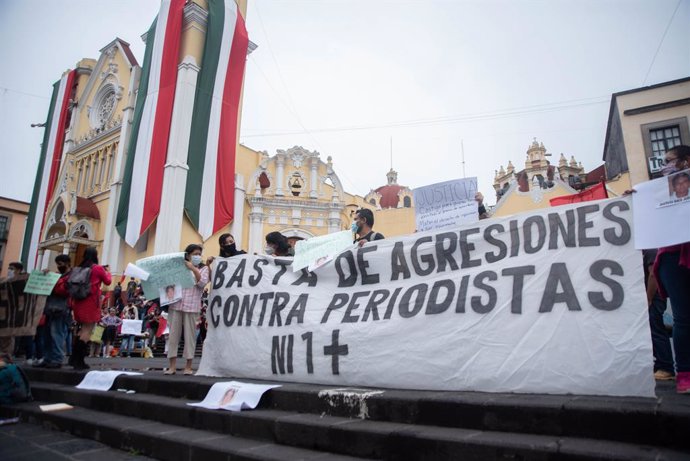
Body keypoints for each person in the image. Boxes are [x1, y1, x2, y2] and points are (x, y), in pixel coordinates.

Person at [652, 145, 690, 394]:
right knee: (682, 318)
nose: (664, 166)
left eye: (669, 161)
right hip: (672, 257)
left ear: (685, 162)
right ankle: (685, 374)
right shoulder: (658, 192)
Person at [166, 244, 209, 375]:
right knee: (173, 336)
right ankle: (172, 366)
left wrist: (194, 270)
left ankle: (188, 366)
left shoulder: (204, 268)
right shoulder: (178, 267)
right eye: (195, 254)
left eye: (199, 254)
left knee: (190, 337)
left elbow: (202, 283)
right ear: (188, 254)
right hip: (176, 304)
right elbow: (168, 282)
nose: (197, 256)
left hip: (192, 305)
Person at [70, 246, 112, 370]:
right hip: (90, 302)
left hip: (78, 301)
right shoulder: (97, 268)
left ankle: (73, 358)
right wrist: (108, 271)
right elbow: (108, 282)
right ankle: (79, 360)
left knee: (81, 330)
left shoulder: (79, 268)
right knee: (87, 331)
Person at [37, 254, 72, 368]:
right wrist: (46, 277)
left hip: (62, 309)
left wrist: (54, 280)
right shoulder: (58, 275)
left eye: (60, 264)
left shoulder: (71, 276)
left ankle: (57, 359)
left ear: (67, 263)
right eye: (57, 264)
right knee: (47, 335)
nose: (58, 266)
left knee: (57, 334)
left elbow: (64, 291)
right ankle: (47, 358)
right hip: (50, 308)